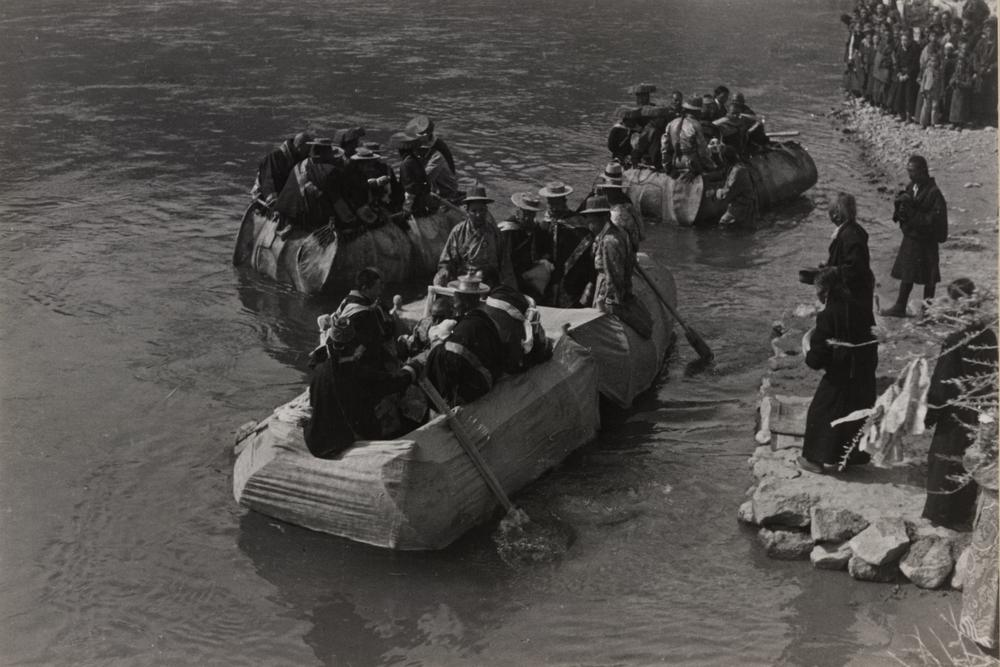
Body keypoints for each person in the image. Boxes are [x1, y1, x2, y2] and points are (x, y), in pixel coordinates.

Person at [922, 278, 998, 529]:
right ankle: (961, 513)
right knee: (967, 460)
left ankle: (941, 516)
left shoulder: (956, 337)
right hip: (977, 410)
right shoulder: (987, 334)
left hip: (953, 411)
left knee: (944, 459)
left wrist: (930, 411)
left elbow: (943, 382)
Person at [304, 316, 421, 459]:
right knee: (395, 415)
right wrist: (411, 370)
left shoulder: (320, 369)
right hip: (339, 440)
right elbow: (392, 383)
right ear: (352, 345)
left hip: (315, 437)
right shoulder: (356, 374)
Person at [799, 268, 878, 473]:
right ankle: (851, 457)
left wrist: (808, 355)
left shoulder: (827, 315)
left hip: (840, 374)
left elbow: (817, 357)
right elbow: (873, 338)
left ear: (825, 291)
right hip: (864, 371)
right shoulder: (862, 308)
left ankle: (814, 459)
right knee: (856, 412)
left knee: (821, 412)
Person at [424, 274, 503, 405]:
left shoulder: (465, 329)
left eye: (456, 299)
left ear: (465, 302)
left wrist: (437, 346)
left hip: (477, 385)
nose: (454, 304)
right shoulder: (485, 320)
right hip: (490, 374)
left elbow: (451, 359)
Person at [883, 155, 947, 317]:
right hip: (912, 238)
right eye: (908, 171)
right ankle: (900, 306)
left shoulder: (934, 193)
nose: (909, 175)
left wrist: (912, 213)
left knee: (929, 277)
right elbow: (905, 212)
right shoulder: (912, 187)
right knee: (907, 273)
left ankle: (928, 310)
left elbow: (933, 221)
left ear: (922, 171)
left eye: (912, 171)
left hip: (927, 241)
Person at [434, 184, 515, 288]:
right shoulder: (458, 232)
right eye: (474, 211)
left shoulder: (495, 232)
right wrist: (444, 270)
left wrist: (510, 287)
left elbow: (505, 265)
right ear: (467, 211)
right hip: (464, 280)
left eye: (482, 210)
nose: (478, 214)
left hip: (489, 282)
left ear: (486, 210)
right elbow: (446, 261)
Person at [272, 138, 353, 232]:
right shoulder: (330, 171)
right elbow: (336, 200)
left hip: (288, 212)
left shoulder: (299, 165)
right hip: (310, 216)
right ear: (326, 154)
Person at [330, 267, 398, 369]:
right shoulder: (364, 313)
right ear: (365, 288)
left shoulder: (347, 300)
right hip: (359, 360)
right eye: (378, 287)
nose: (381, 291)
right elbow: (379, 337)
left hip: (340, 350)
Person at [539, 181, 594, 307]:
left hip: (573, 276)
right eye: (550, 202)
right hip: (550, 274)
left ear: (564, 201)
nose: (552, 206)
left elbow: (586, 252)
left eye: (555, 202)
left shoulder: (577, 223)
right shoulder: (545, 222)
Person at [498, 191, 553, 301]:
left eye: (532, 214)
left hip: (528, 272)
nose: (528, 218)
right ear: (519, 211)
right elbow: (505, 260)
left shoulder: (535, 228)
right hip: (510, 274)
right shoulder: (508, 230)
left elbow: (542, 249)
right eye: (526, 213)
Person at [406, 115, 464, 206]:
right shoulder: (421, 146)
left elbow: (426, 178)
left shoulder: (437, 150)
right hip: (433, 187)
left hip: (444, 191)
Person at [251, 131, 312, 204]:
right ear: (299, 146)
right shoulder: (274, 158)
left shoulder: (300, 158)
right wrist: (274, 202)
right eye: (308, 149)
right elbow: (268, 181)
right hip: (263, 200)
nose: (309, 152)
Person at [660, 96, 714, 177]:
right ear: (696, 112)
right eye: (699, 111)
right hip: (691, 163)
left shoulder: (672, 123)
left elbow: (665, 147)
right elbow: (702, 151)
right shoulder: (696, 125)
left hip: (675, 162)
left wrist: (667, 167)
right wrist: (711, 165)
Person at [596, 163, 644, 251]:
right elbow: (642, 235)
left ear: (605, 189)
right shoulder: (629, 205)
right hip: (631, 253)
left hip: (619, 256)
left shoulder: (614, 214)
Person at [392, 131, 436, 218]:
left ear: (401, 151)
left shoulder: (405, 164)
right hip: (421, 200)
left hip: (415, 204)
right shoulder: (416, 161)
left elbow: (410, 189)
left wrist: (406, 208)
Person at [713, 146, 757, 228]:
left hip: (742, 207)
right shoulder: (739, 167)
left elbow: (726, 195)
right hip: (748, 204)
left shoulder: (736, 172)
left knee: (723, 224)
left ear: (725, 159)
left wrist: (717, 192)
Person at [972, 20, 997, 127]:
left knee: (991, 95)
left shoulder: (997, 43)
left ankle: (989, 118)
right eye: (987, 29)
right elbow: (975, 56)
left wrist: (992, 68)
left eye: (991, 29)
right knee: (978, 94)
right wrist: (977, 68)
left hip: (992, 74)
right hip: (980, 72)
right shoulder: (981, 42)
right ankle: (978, 118)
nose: (989, 31)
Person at [948, 38, 975, 128]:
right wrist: (952, 82)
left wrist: (960, 83)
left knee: (961, 107)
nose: (960, 66)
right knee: (954, 107)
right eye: (958, 65)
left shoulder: (966, 72)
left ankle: (960, 123)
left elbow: (969, 83)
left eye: (961, 65)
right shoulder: (956, 72)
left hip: (963, 92)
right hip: (956, 92)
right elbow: (952, 78)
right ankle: (953, 122)